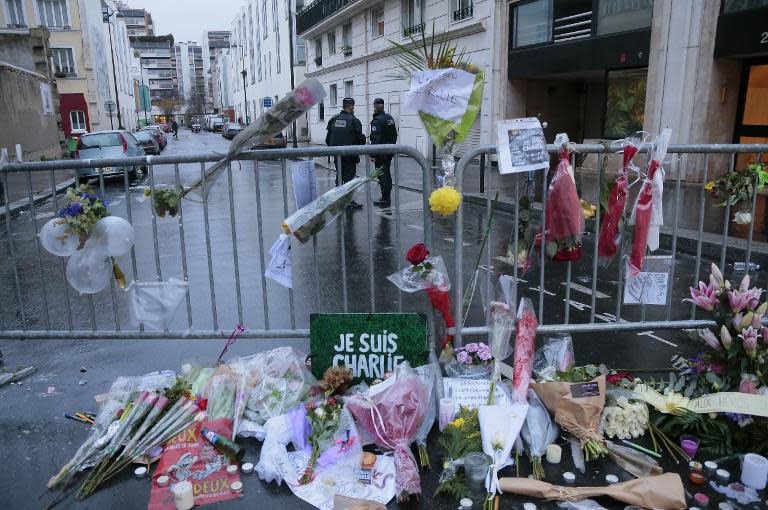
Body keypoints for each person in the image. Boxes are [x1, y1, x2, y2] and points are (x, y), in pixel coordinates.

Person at [326, 97, 366, 209]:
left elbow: (328, 139)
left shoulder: (334, 119)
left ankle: (339, 198)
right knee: (348, 177)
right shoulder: (354, 121)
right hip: (350, 155)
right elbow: (360, 140)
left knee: (339, 174)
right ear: (352, 106)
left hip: (337, 154)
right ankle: (347, 201)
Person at [369, 98, 398, 207]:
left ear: (375, 106)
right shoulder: (389, 118)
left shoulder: (377, 121)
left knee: (382, 174)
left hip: (381, 152)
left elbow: (375, 139)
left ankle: (385, 198)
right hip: (389, 150)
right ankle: (387, 197)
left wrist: (373, 154)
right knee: (387, 173)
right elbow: (395, 134)